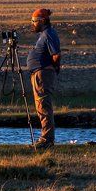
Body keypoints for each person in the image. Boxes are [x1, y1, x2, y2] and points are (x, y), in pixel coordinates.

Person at [26, 8, 61, 149]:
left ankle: (46, 140)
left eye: (34, 21)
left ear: (42, 21)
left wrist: (53, 68)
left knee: (43, 105)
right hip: (39, 73)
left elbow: (56, 54)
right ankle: (45, 138)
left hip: (43, 73)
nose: (33, 24)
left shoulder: (49, 34)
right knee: (41, 105)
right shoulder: (44, 34)